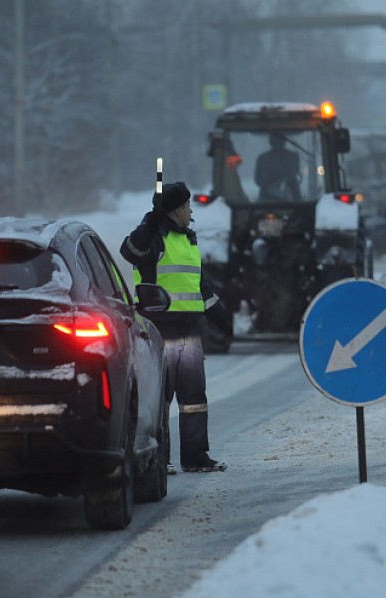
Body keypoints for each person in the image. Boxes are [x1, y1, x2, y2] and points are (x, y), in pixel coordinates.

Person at [120, 181, 230, 473]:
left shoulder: (188, 239)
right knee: (159, 397)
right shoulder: (153, 236)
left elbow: (198, 283)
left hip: (189, 330)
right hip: (159, 330)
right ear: (178, 209)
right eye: (187, 206)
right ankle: (157, 458)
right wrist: (150, 220)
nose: (191, 211)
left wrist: (218, 312)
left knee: (194, 398)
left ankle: (195, 458)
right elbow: (130, 251)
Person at [254, 133, 302, 202]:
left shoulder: (262, 158)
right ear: (284, 142)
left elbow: (258, 180)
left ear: (270, 142)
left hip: (267, 201)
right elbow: (296, 174)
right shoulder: (293, 157)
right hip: (292, 200)